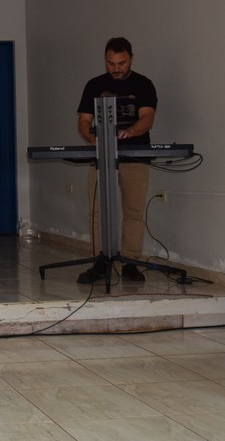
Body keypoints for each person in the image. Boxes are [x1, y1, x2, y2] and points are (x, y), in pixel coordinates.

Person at [76, 37, 157, 284]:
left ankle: (131, 262)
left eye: (121, 63)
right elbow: (84, 120)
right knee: (97, 212)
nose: (116, 68)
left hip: (134, 156)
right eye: (111, 63)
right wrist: (92, 138)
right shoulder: (94, 85)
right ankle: (100, 262)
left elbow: (147, 118)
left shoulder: (143, 84)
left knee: (133, 211)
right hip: (102, 157)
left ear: (131, 59)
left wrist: (130, 132)